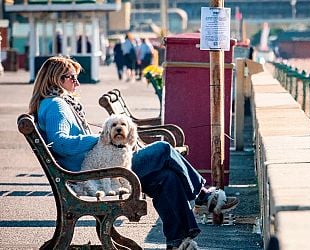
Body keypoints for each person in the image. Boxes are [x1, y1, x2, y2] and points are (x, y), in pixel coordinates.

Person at [28, 56, 239, 250]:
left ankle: (178, 241)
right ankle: (203, 196)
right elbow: (61, 144)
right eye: (72, 77)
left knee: (167, 178)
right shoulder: (56, 105)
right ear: (57, 79)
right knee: (163, 149)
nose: (77, 82)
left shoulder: (56, 104)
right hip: (98, 174)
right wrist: (102, 137)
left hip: (103, 168)